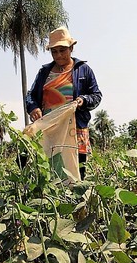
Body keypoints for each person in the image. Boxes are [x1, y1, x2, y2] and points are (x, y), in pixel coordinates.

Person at [25, 26, 102, 180]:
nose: (58, 55)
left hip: (75, 129)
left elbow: (96, 95)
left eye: (62, 50)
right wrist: (33, 108)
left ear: (71, 48)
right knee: (51, 170)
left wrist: (82, 100)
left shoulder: (83, 70)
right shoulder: (44, 73)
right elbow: (31, 96)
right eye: (54, 51)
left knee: (77, 171)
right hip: (50, 130)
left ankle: (78, 202)